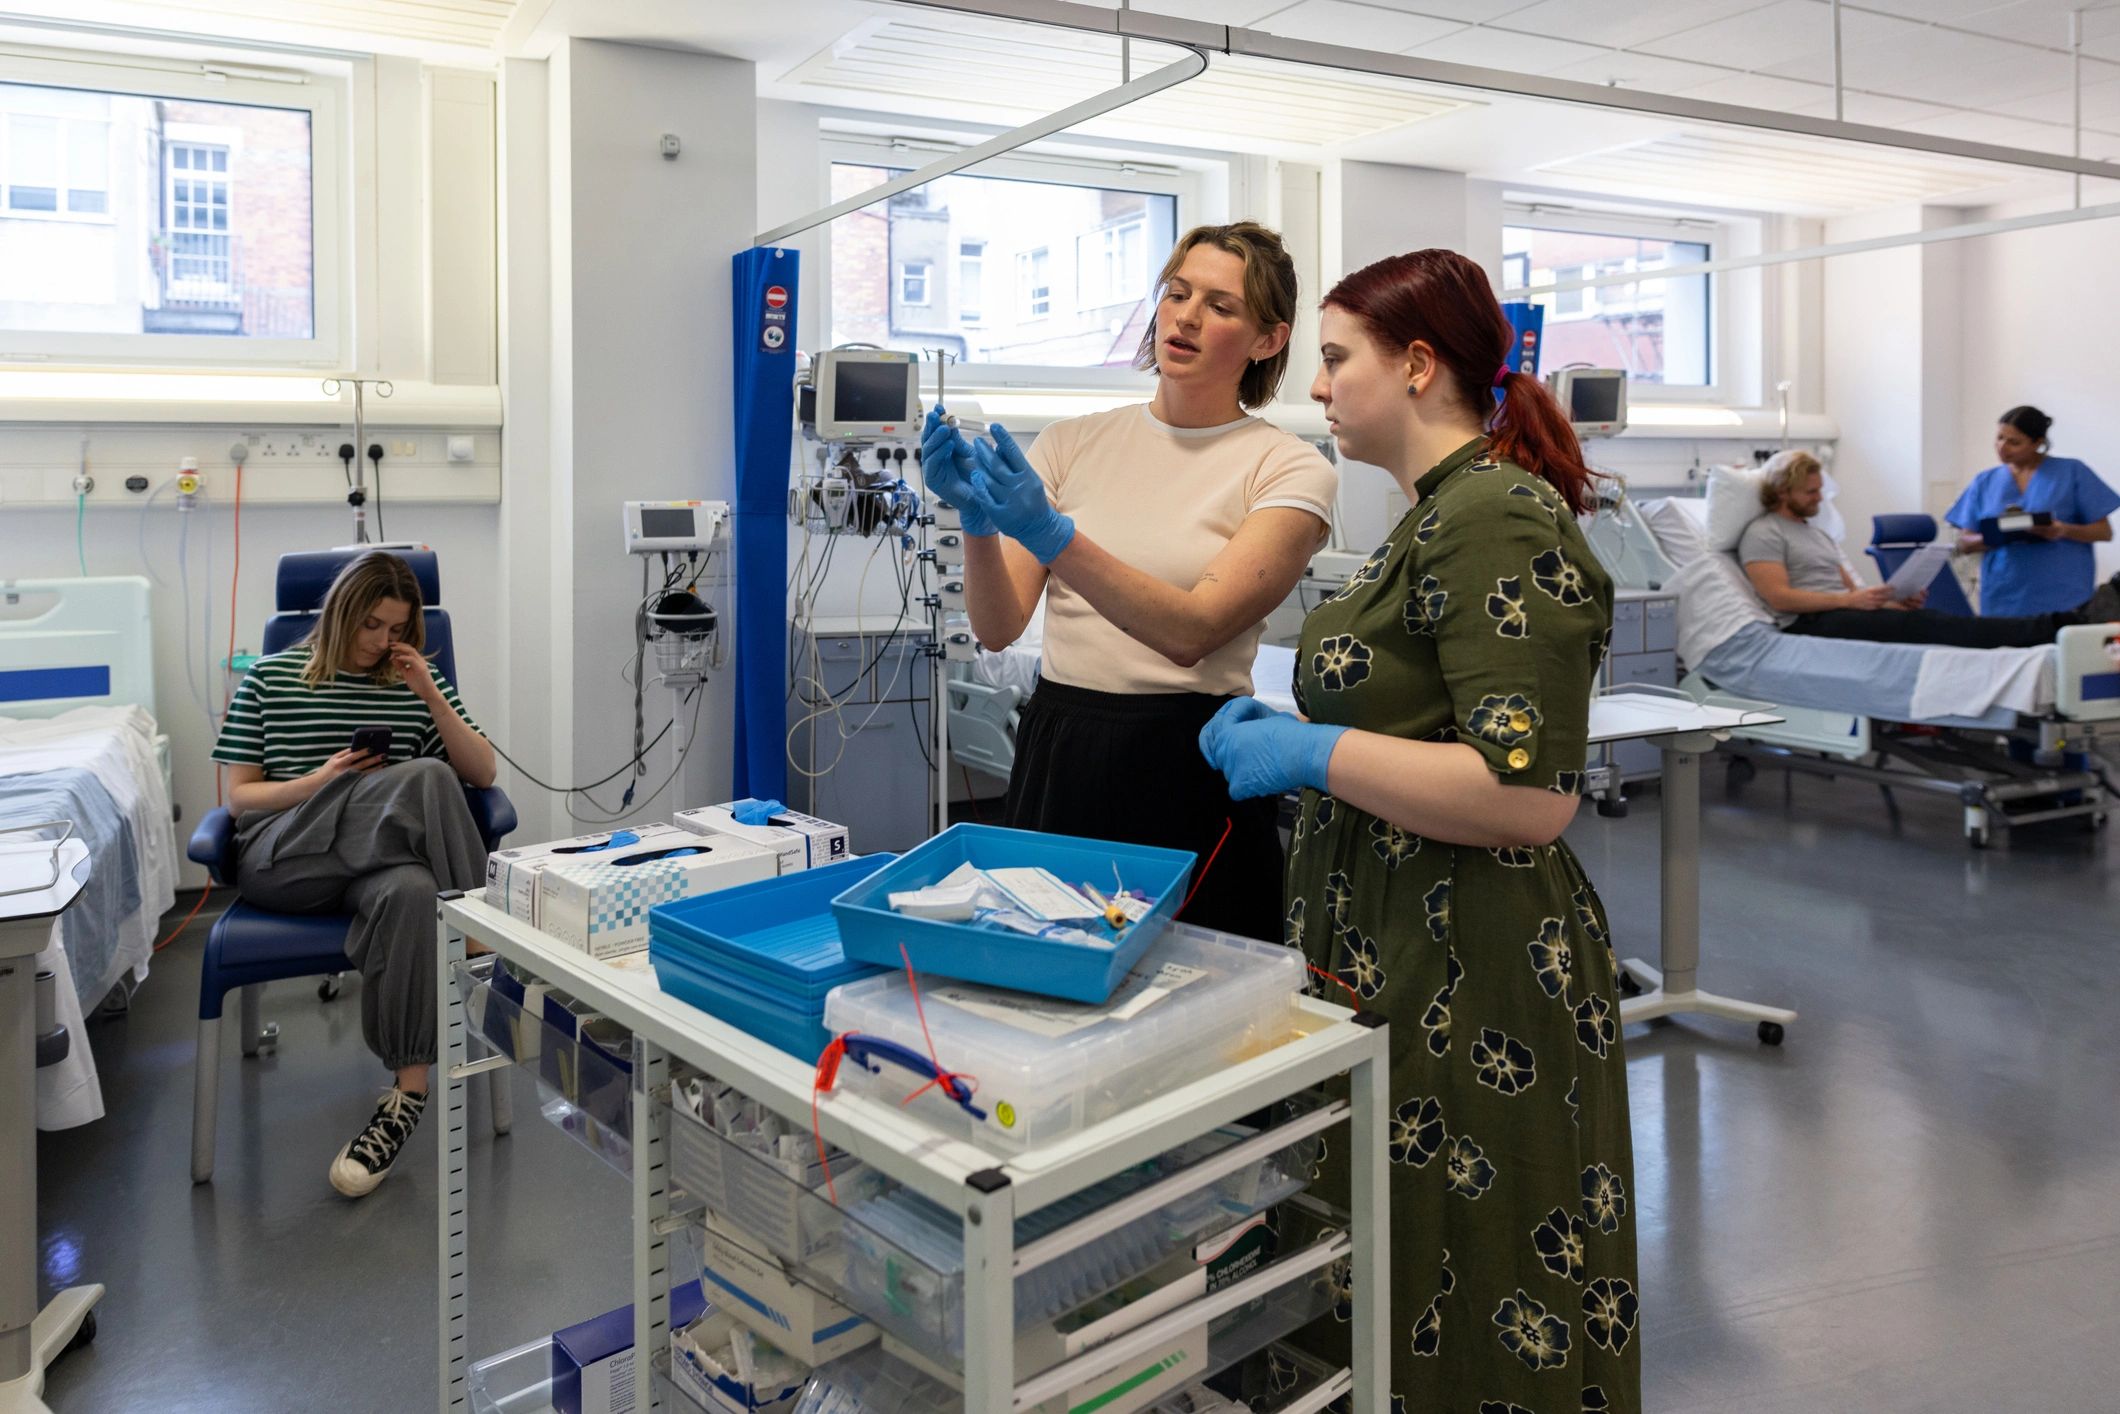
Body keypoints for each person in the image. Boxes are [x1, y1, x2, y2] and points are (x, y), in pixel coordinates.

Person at [1199, 249, 1637, 1412]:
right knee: (1401, 1261)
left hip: (1474, 965)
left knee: (1471, 1265)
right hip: (1401, 939)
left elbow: (1524, 792)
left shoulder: (1493, 512)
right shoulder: (1432, 514)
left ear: (1418, 363)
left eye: (1336, 360)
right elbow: (1430, 710)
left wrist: (1308, 751)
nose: (1321, 387)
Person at [919, 222, 1339, 939]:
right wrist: (978, 523)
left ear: (1269, 340)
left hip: (1189, 759)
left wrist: (1054, 536)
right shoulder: (1071, 442)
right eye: (1176, 293)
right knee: (1052, 967)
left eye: (1221, 305)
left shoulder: (1287, 467)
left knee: (1203, 994)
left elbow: (1193, 631)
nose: (1186, 316)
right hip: (1062, 748)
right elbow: (997, 625)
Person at [211, 551, 496, 1198]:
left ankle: (405, 1098)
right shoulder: (269, 679)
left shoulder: (414, 679)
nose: (382, 642)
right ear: (340, 612)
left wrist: (430, 692)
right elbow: (238, 801)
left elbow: (483, 775)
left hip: (374, 861)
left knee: (414, 888)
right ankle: (483, 941)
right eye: (371, 625)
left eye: (395, 629)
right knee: (424, 778)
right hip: (285, 857)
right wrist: (323, 781)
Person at [1740, 451, 2120, 647]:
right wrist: (1853, 602)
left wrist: (1887, 602)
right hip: (1809, 627)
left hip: (1838, 614)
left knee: (1930, 619)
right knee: (1938, 626)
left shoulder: (1817, 534)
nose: (1820, 498)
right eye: (1811, 491)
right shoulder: (1765, 532)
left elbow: (1849, 595)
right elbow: (1781, 599)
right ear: (1782, 491)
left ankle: (2072, 621)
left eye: (1821, 489)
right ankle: (2070, 624)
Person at [1947, 406, 2118, 616]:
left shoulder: (2072, 472)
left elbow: (2104, 531)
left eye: (2014, 442)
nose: (2003, 447)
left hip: (2063, 594)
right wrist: (1992, 537)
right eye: (2000, 438)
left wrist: (2063, 530)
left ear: (2038, 443)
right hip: (2003, 594)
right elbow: (1964, 542)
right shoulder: (1984, 481)